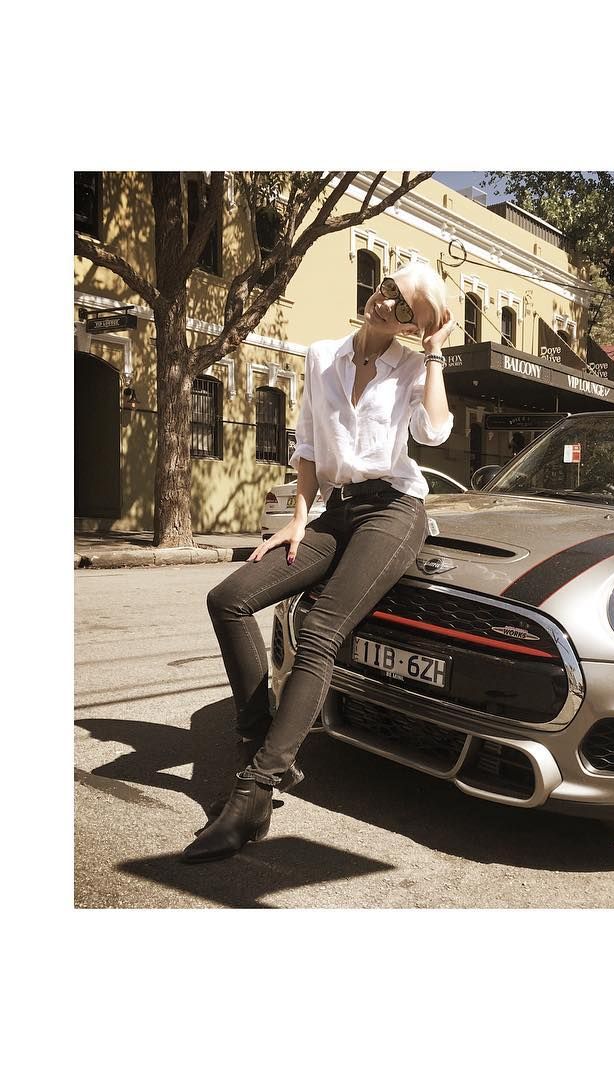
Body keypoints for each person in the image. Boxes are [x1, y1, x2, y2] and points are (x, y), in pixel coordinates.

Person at [183, 263, 455, 862]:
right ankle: (259, 741)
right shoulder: (322, 355)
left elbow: (435, 432)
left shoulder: (412, 368)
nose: (386, 301)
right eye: (389, 287)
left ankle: (257, 790)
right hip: (336, 510)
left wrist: (435, 352)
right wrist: (299, 518)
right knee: (228, 600)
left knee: (320, 629)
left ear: (412, 326)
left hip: (394, 510)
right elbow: (307, 445)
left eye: (404, 307)